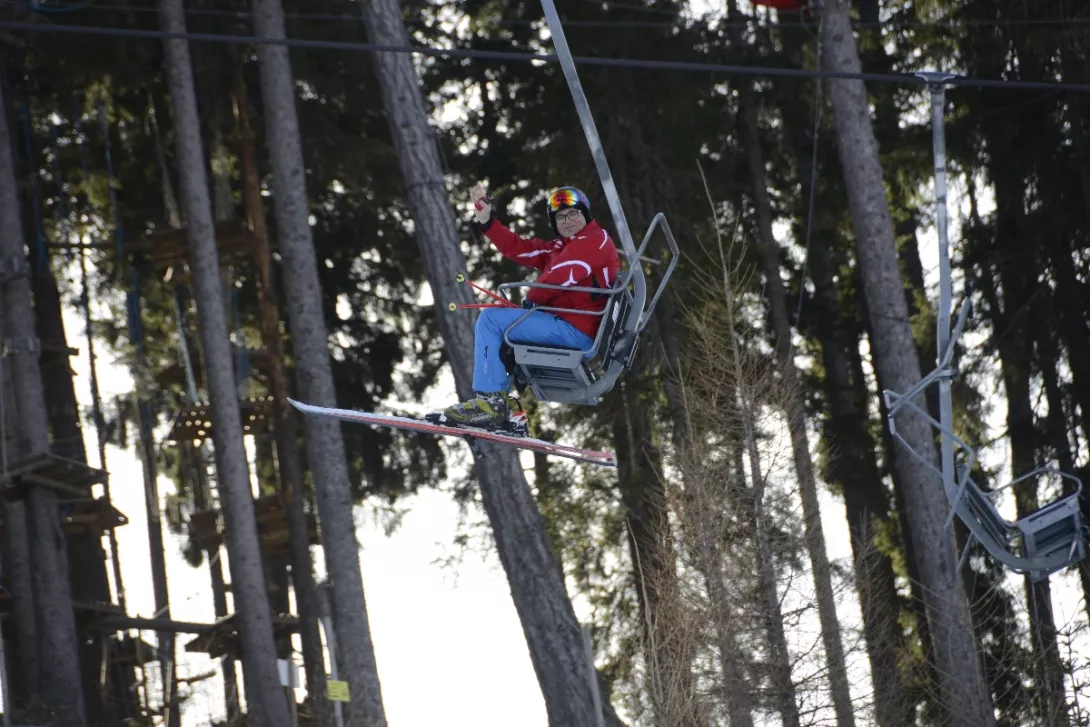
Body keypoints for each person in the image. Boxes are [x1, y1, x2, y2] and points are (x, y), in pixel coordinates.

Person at [430, 183, 621, 434]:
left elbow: (563, 273)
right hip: (563, 324)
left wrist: (532, 301)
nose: (567, 220)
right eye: (560, 217)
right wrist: (487, 222)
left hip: (576, 329)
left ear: (586, 214)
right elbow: (522, 248)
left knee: (491, 320)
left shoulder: (595, 240)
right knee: (502, 333)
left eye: (573, 213)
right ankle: (507, 410)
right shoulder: (560, 247)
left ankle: (490, 402)